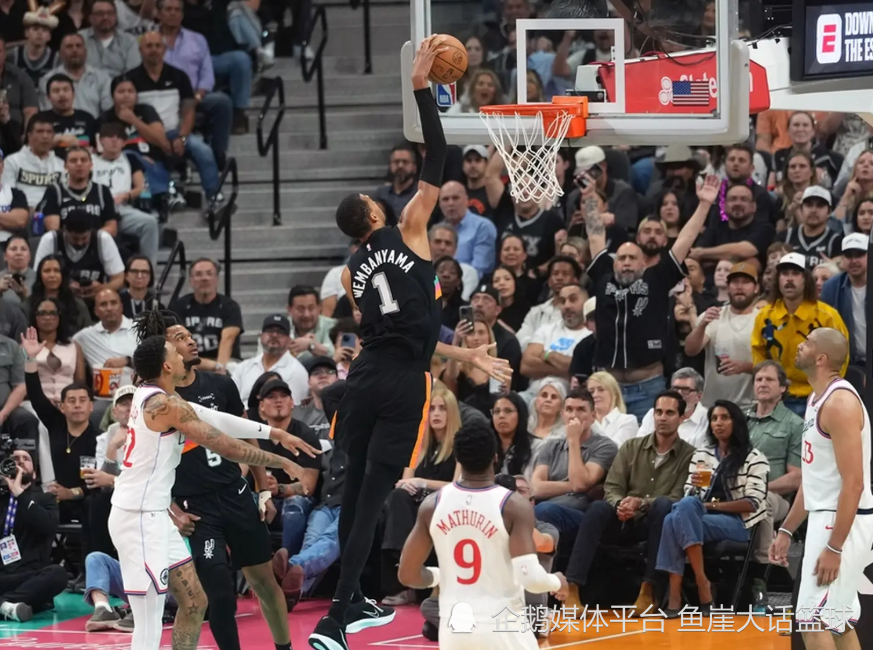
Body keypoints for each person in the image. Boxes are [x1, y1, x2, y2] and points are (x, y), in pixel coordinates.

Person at [307, 36, 512, 650]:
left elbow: (396, 330)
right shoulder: (411, 225)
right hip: (402, 385)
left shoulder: (350, 274)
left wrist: (465, 354)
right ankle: (336, 618)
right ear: (373, 214)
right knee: (372, 497)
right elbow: (439, 151)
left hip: (365, 379)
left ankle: (351, 602)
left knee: (353, 494)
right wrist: (422, 86)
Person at [109, 330, 316, 650]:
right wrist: (281, 460)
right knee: (149, 618)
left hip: (156, 515)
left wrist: (275, 433)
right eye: (174, 351)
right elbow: (224, 444)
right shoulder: (163, 405)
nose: (182, 354)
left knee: (195, 603)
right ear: (166, 366)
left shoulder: (158, 395)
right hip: (136, 517)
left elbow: (216, 418)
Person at [396, 419, 569, 650]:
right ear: (495, 457)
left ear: (457, 458)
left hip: (455, 632)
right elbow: (530, 578)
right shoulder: (513, 505)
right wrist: (557, 581)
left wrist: (440, 575)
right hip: (504, 629)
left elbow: (407, 574)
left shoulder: (432, 504)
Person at [769, 328, 873, 642]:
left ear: (821, 358)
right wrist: (787, 530)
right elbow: (814, 478)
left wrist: (834, 547)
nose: (800, 345)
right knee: (837, 622)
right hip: (827, 517)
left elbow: (854, 484)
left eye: (808, 342)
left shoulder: (840, 404)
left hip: (840, 522)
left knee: (811, 622)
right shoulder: (816, 398)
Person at [657, 400, 769, 616]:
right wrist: (696, 489)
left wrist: (708, 505)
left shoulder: (754, 458)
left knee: (673, 519)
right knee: (677, 514)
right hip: (700, 518)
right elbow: (690, 495)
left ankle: (679, 592)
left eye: (724, 418)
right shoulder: (703, 455)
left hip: (738, 523)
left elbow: (753, 503)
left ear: (736, 422)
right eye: (714, 418)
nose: (718, 423)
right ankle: (700, 584)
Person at [0, 449, 68, 622]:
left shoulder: (45, 499)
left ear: (34, 473)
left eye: (26, 459)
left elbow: (48, 526)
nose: (20, 461)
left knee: (58, 574)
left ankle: (4, 604)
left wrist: (19, 494)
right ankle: (8, 606)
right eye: (15, 459)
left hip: (30, 575)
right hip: (3, 575)